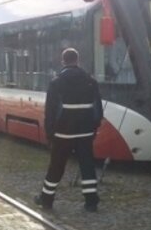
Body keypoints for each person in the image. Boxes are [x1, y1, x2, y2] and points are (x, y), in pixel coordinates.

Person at [34, 48, 104, 212]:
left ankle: (46, 199)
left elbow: (50, 112)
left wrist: (50, 134)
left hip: (63, 133)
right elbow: (98, 110)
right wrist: (93, 128)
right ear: (77, 60)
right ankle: (91, 202)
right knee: (87, 166)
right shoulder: (91, 81)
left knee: (56, 166)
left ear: (63, 61)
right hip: (85, 133)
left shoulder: (56, 82)